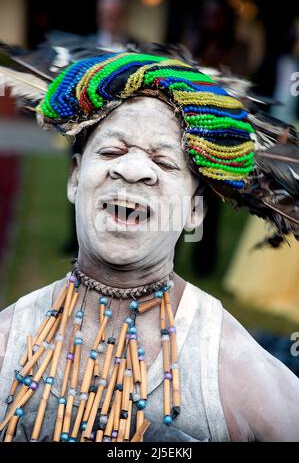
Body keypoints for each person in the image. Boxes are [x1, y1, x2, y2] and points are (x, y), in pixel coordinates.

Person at [0, 47, 299, 443]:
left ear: (196, 211)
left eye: (165, 162)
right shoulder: (7, 342)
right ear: (75, 180)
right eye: (111, 151)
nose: (134, 170)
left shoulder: (240, 376)